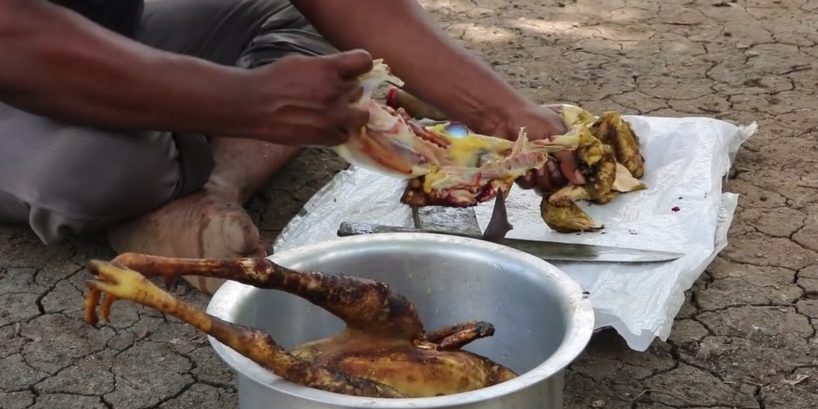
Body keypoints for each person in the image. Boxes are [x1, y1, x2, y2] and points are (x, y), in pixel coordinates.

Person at [0, 0, 583, 293]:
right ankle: (160, 181)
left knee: (287, 21)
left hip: (84, 32)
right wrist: (243, 100)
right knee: (108, 166)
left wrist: (497, 110)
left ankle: (213, 187)